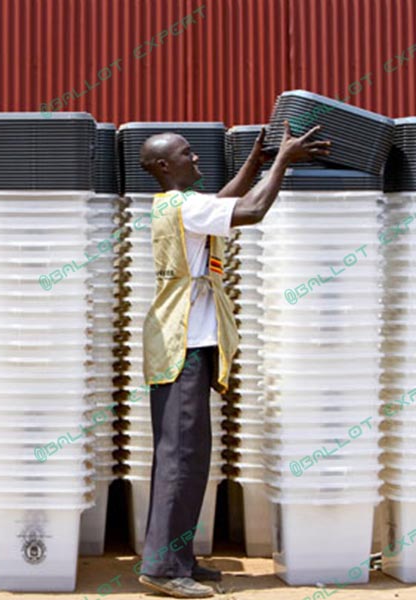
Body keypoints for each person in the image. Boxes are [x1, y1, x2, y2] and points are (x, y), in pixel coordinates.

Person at [137, 121, 332, 598]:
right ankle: (163, 569)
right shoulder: (186, 207)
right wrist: (283, 162)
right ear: (164, 165)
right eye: (187, 153)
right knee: (180, 459)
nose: (196, 157)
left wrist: (257, 162)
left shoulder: (176, 205)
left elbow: (223, 201)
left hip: (184, 343)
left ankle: (177, 556)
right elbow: (253, 209)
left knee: (188, 456)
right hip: (183, 345)